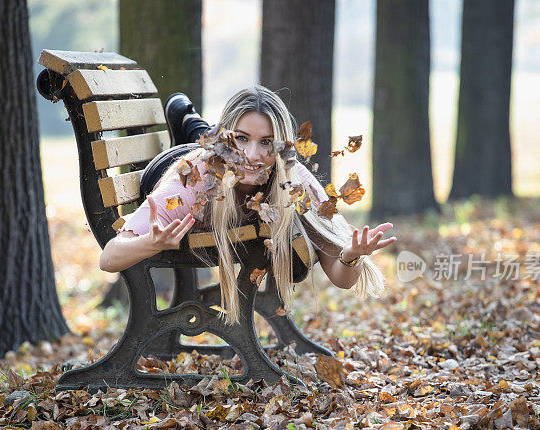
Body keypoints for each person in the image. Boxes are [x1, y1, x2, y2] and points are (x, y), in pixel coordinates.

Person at [100, 86, 397, 323]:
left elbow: (341, 277)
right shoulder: (192, 178)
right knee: (202, 146)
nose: (254, 154)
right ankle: (189, 121)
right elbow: (109, 258)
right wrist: (151, 242)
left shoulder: (293, 176)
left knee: (224, 151)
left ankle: (198, 127)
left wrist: (351, 255)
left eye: (267, 142)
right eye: (241, 138)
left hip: (223, 165)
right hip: (178, 166)